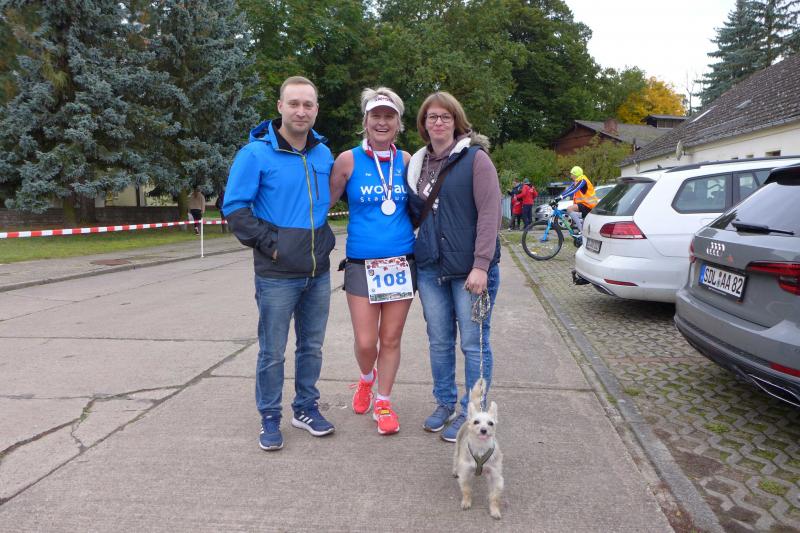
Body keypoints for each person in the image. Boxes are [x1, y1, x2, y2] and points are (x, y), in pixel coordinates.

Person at [222, 76, 336, 451]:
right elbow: (235, 208)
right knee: (272, 351)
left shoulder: (323, 154)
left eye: (308, 104)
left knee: (312, 347)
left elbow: (325, 203)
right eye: (294, 104)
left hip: (317, 273)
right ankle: (269, 416)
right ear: (280, 107)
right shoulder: (255, 154)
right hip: (276, 275)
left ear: (316, 109)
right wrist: (273, 246)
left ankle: (305, 408)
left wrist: (325, 241)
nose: (301, 111)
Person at [406, 91, 502, 443]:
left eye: (445, 116)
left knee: (474, 344)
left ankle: (472, 411)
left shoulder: (476, 159)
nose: (438, 122)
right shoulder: (416, 164)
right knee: (439, 341)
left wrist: (481, 265)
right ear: (423, 123)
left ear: (456, 121)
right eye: (431, 117)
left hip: (470, 271)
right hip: (431, 268)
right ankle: (444, 403)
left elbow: (490, 213)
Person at [329, 88, 414, 435]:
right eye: (375, 116)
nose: (382, 122)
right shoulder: (347, 160)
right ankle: (366, 378)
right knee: (366, 342)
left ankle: (384, 402)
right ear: (365, 121)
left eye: (388, 116)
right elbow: (321, 204)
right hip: (362, 264)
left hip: (401, 263)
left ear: (398, 122)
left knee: (390, 338)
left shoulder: (407, 160)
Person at [559, 166, 598, 235]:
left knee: (569, 209)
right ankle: (582, 226)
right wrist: (558, 197)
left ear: (576, 174)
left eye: (572, 174)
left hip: (589, 205)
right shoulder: (576, 181)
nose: (571, 176)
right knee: (574, 214)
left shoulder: (583, 180)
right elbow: (568, 190)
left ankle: (581, 230)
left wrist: (561, 197)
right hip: (585, 204)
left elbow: (574, 189)